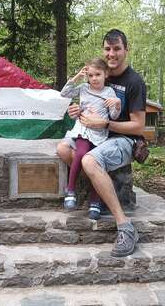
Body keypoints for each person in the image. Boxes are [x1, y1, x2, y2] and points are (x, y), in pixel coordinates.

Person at [57, 29, 146, 257]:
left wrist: (104, 123)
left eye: (117, 49)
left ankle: (125, 226)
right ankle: (99, 192)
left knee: (89, 159)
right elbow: (83, 102)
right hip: (96, 135)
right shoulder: (98, 75)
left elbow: (138, 126)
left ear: (126, 50)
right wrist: (76, 112)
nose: (112, 54)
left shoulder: (134, 82)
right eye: (108, 49)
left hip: (124, 140)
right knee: (64, 149)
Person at [59, 57, 121, 220]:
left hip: (99, 134)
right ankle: (70, 189)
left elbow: (113, 116)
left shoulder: (109, 93)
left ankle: (96, 201)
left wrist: (117, 104)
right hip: (83, 129)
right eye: (91, 75)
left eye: (98, 75)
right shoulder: (84, 88)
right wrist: (77, 78)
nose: (94, 78)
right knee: (80, 154)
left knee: (97, 164)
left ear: (106, 74)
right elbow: (64, 93)